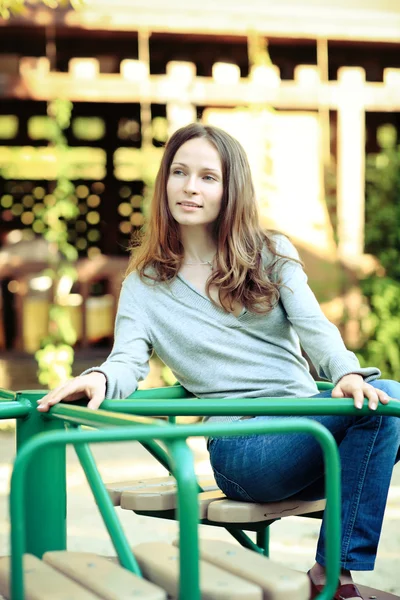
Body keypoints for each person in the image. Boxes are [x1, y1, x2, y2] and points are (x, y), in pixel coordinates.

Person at [37, 123, 400, 600]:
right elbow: (126, 359)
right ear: (165, 181)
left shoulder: (272, 254)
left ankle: (332, 571)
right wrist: (100, 377)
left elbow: (318, 333)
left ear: (232, 190)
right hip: (243, 448)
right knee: (389, 399)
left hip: (306, 429)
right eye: (180, 172)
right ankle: (336, 580)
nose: (190, 187)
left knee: (386, 399)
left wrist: (348, 373)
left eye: (208, 177)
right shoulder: (145, 284)